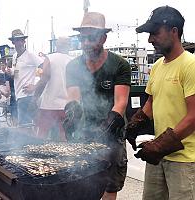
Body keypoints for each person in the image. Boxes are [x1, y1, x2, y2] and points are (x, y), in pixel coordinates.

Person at [124, 6, 195, 200]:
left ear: (174, 31)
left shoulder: (190, 65)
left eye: (155, 33)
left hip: (185, 159)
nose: (150, 39)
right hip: (159, 157)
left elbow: (193, 116)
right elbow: (151, 103)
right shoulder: (156, 66)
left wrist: (159, 145)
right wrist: (134, 124)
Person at [64, 12, 131, 200]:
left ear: (103, 37)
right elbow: (74, 97)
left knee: (110, 185)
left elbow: (121, 101)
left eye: (91, 38)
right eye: (82, 38)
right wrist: (72, 114)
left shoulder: (120, 64)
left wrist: (108, 125)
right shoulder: (73, 67)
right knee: (83, 180)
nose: (85, 43)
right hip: (84, 132)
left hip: (112, 131)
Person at [33, 37, 72, 141]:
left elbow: (44, 78)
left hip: (48, 104)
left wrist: (35, 96)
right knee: (63, 135)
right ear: (69, 46)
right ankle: (67, 157)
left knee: (42, 135)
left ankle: (37, 155)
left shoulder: (50, 58)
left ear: (56, 45)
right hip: (66, 105)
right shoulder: (73, 61)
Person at [8, 29, 43, 126]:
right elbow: (17, 73)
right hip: (18, 96)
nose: (19, 42)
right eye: (16, 40)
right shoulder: (14, 56)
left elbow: (46, 68)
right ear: (13, 42)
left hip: (27, 96)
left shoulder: (31, 55)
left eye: (21, 40)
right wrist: (11, 73)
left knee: (25, 126)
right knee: (24, 125)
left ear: (24, 41)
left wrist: (35, 86)